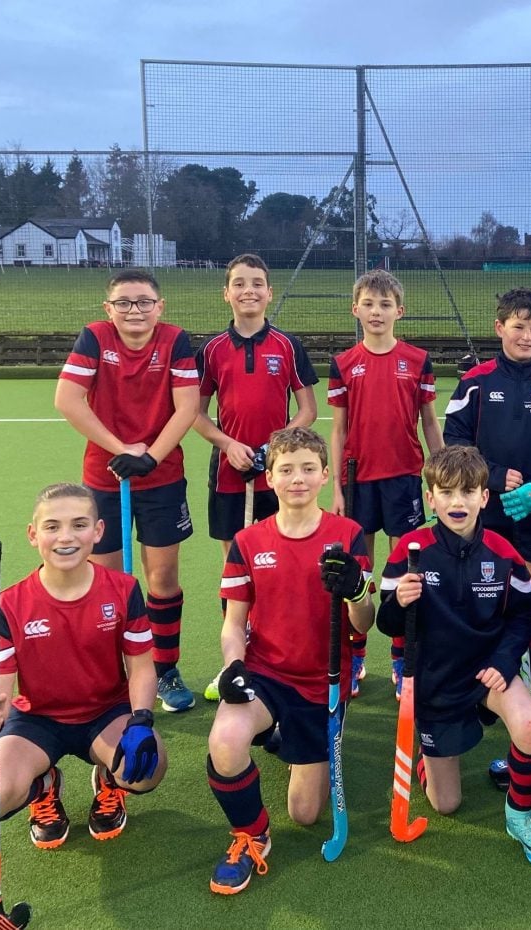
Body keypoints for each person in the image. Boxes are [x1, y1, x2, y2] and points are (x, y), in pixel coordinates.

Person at [205, 427, 375, 894]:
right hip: (266, 673)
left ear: (324, 475)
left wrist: (356, 591)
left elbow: (364, 623)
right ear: (270, 479)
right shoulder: (247, 541)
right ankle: (252, 834)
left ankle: (285, 737)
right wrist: (233, 666)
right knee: (225, 740)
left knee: (304, 813)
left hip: (324, 682)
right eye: (286, 469)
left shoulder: (348, 535)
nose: (297, 478)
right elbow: (233, 623)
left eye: (307, 469)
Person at [377, 445, 531, 868]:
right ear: (430, 498)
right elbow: (387, 624)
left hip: (488, 670)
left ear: (484, 496)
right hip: (436, 678)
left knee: (530, 726)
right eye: (446, 492)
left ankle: (521, 815)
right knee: (446, 804)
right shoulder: (410, 551)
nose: (456, 502)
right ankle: (429, 759)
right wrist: (399, 602)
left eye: (467, 492)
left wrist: (505, 662)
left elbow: (523, 619)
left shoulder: (503, 553)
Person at [0, 483, 167, 850]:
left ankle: (109, 781)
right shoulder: (9, 604)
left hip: (106, 713)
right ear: (33, 534)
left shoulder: (124, 589)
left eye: (79, 524)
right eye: (52, 526)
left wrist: (141, 719)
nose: (66, 537)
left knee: (147, 769)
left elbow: (141, 668)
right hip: (37, 720)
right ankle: (43, 786)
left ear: (98, 531)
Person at [55, 268, 200, 713]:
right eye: (123, 302)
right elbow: (67, 399)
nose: (133, 310)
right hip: (106, 478)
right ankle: (112, 678)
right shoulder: (95, 338)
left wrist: (150, 457)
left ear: (160, 307)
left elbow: (187, 407)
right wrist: (122, 449)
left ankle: (165, 668)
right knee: (109, 584)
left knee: (162, 580)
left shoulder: (175, 340)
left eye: (143, 302)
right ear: (108, 308)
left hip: (162, 477)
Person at [444, 287, 531, 719]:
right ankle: (480, 671)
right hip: (484, 509)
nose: (527, 336)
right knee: (484, 586)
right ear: (500, 327)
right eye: (519, 327)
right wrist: (491, 474)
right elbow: (454, 439)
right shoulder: (476, 382)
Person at [195, 253, 319, 701]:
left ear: (269, 293)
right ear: (226, 293)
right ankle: (236, 660)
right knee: (237, 569)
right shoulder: (211, 350)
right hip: (229, 475)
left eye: (257, 284)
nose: (248, 290)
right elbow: (195, 413)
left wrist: (277, 445)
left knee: (281, 563)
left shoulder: (287, 345)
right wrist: (228, 444)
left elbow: (308, 409)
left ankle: (280, 657)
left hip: (278, 475)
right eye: (239, 283)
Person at [327, 269, 443, 699]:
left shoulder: (418, 360)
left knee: (403, 572)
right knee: (359, 572)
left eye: (385, 304)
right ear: (355, 310)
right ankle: (356, 655)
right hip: (357, 480)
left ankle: (401, 656)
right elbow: (338, 430)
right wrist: (336, 488)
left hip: (404, 477)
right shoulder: (343, 364)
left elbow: (429, 422)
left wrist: (440, 474)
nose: (376, 312)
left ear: (400, 311)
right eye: (369, 304)